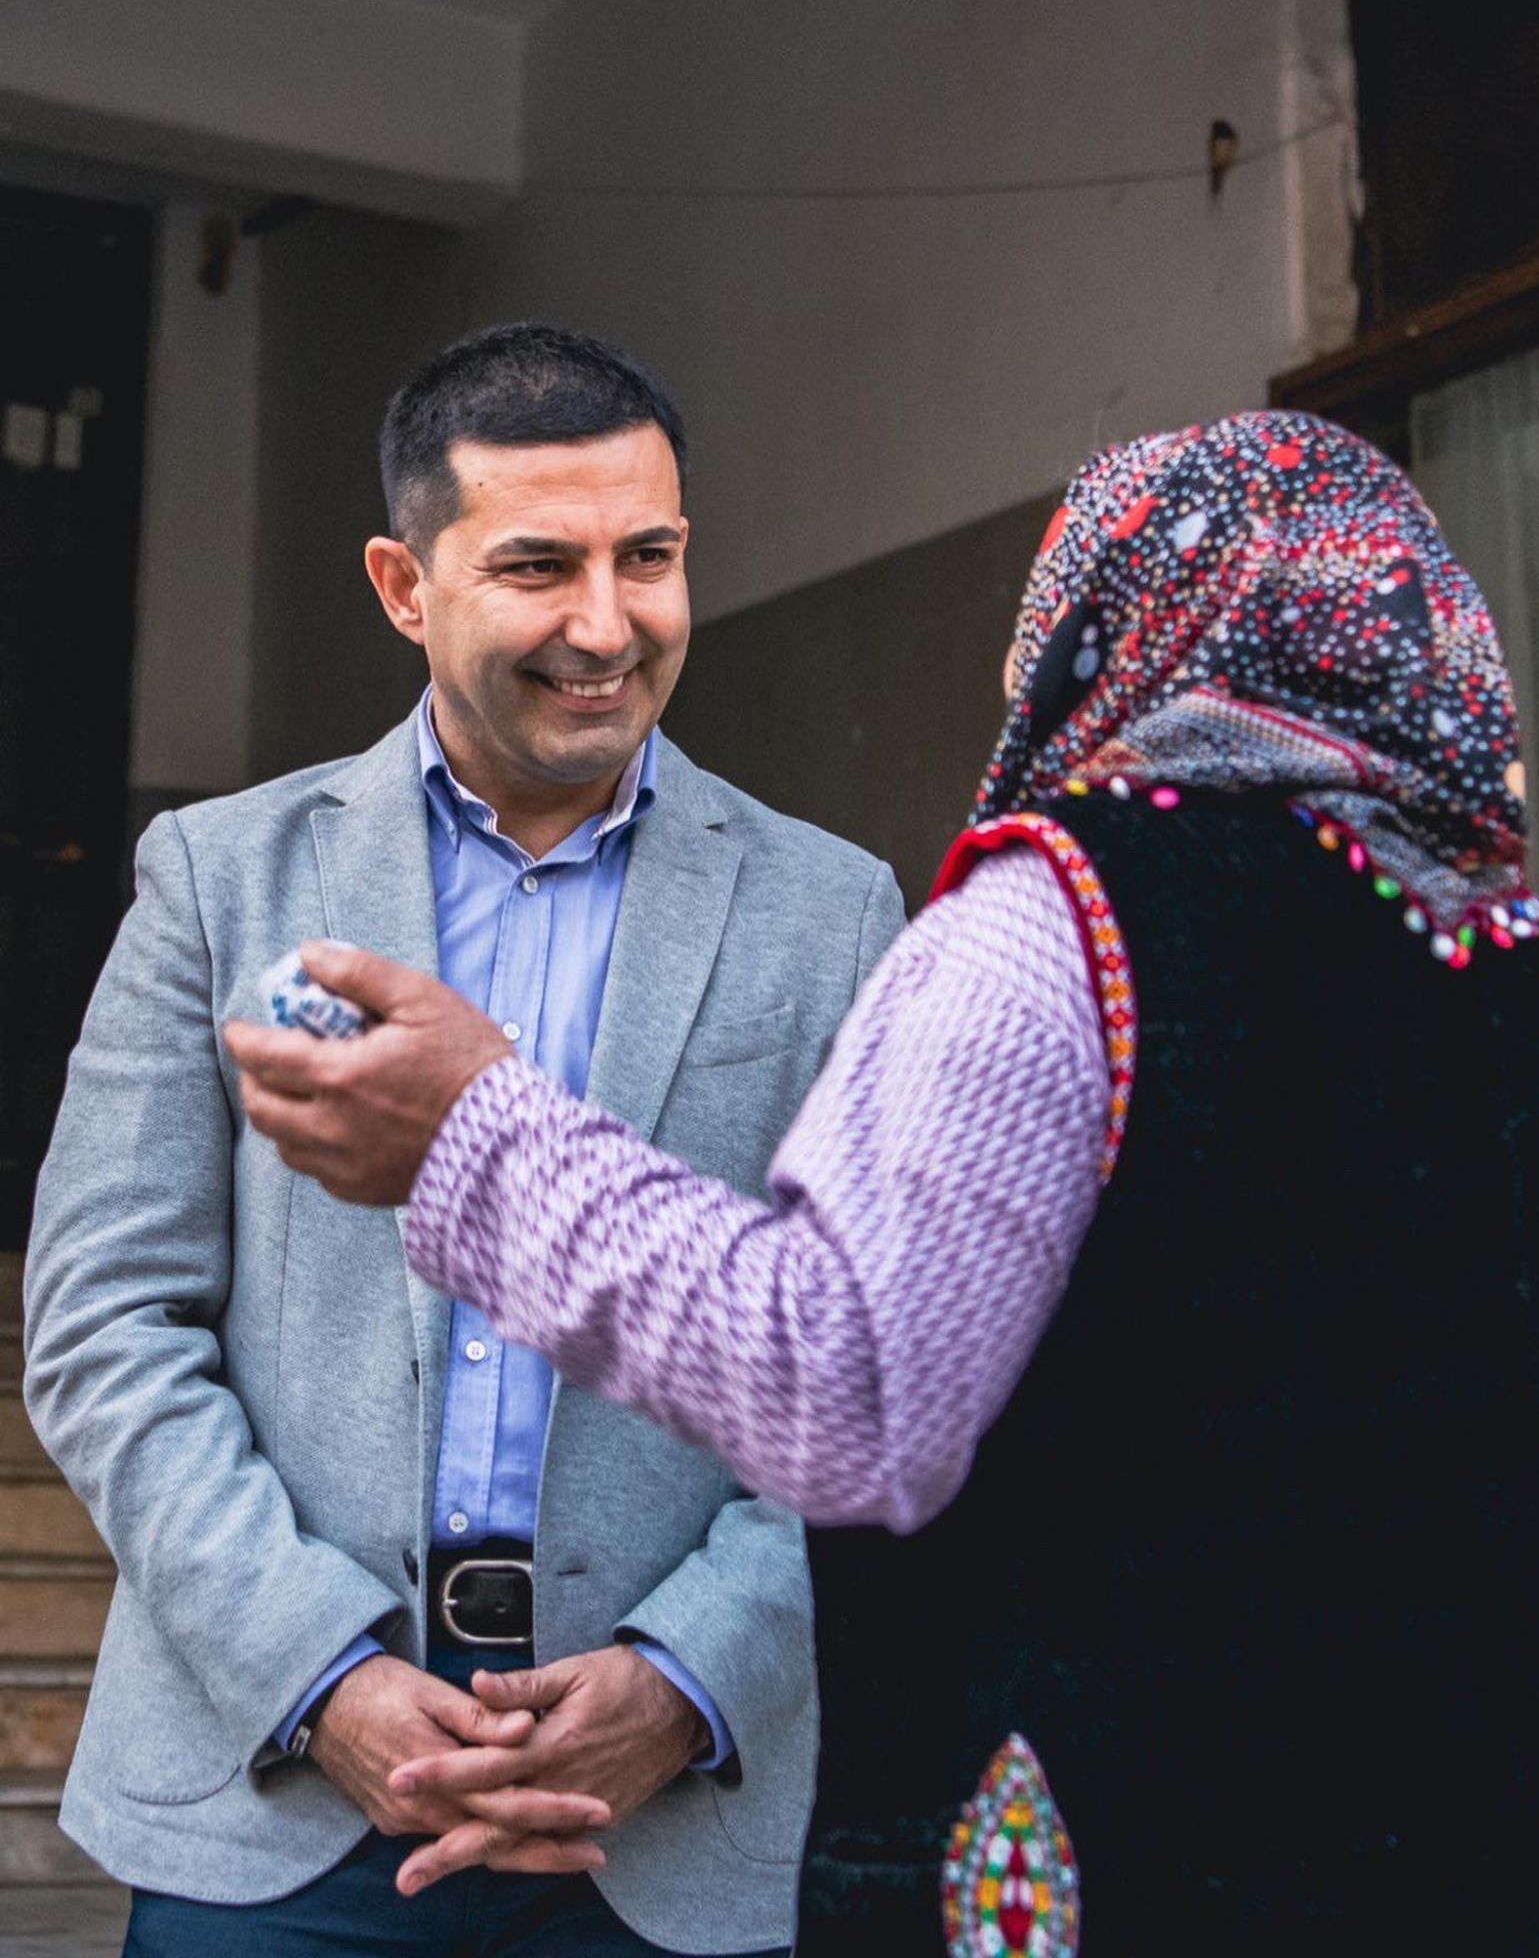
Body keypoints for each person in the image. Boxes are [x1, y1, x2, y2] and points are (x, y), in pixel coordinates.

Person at [229, 411, 1539, 1957]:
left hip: (1127, 1857)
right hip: (1483, 1849)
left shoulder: (1060, 914)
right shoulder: (1501, 965)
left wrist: (477, 1140)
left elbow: (852, 1383)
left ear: (1097, 624)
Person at [24, 321, 904, 1956]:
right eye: (537, 566)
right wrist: (320, 1672)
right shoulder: (221, 882)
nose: (606, 624)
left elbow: (884, 1366)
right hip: (279, 1806)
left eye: (649, 558)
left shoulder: (834, 910)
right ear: (402, 585)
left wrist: (692, 1673)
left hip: (666, 1823)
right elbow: (105, 1325)